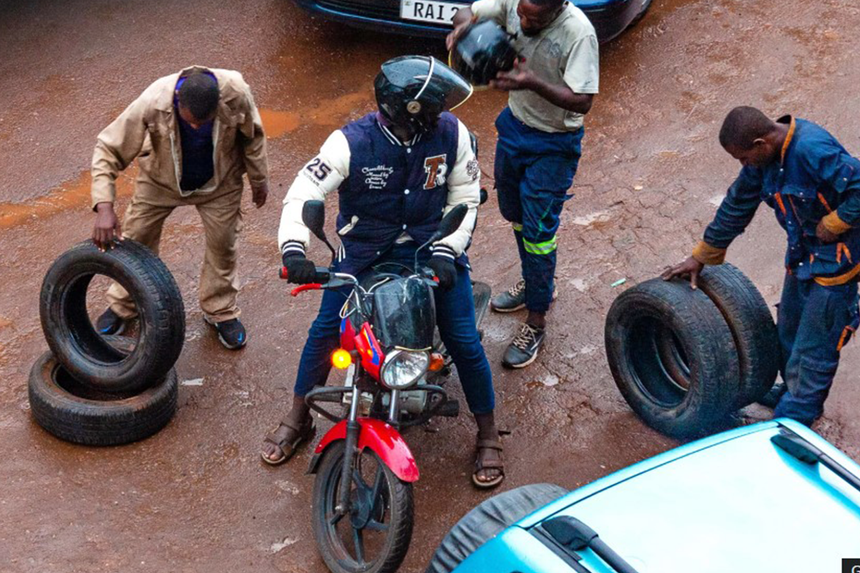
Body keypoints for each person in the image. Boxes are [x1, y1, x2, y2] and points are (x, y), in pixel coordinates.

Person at [261, 56, 505, 488]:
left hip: (433, 251)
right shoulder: (348, 142)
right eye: (434, 104)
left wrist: (448, 251)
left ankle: (488, 435)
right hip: (362, 256)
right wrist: (294, 249)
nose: (443, 110)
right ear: (409, 110)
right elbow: (305, 191)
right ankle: (299, 418)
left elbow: (465, 194)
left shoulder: (454, 134)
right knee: (325, 333)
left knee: (464, 340)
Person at [663, 106, 860, 426]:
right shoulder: (765, 159)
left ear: (760, 143)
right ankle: (792, 390)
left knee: (816, 343)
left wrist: (836, 222)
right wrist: (702, 255)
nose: (744, 166)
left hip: (838, 262)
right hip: (803, 253)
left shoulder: (812, 151)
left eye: (743, 158)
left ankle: (796, 419)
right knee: (789, 329)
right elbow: (737, 204)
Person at [447, 0, 599, 369]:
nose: (524, 21)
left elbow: (583, 102)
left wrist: (531, 81)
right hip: (514, 127)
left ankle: (536, 320)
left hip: (553, 144)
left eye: (535, 19)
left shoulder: (579, 33)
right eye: (522, 14)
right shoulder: (517, 3)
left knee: (538, 232)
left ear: (559, 7)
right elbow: (465, 10)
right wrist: (464, 26)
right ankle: (537, 282)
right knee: (513, 213)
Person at [90, 66, 269, 350]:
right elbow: (108, 148)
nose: (197, 127)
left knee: (224, 244)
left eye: (204, 122)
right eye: (190, 122)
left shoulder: (235, 92)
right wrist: (104, 206)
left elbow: (253, 136)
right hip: (160, 180)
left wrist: (259, 179)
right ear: (177, 103)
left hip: (220, 182)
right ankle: (125, 304)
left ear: (218, 105)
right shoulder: (154, 100)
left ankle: (220, 310)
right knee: (136, 239)